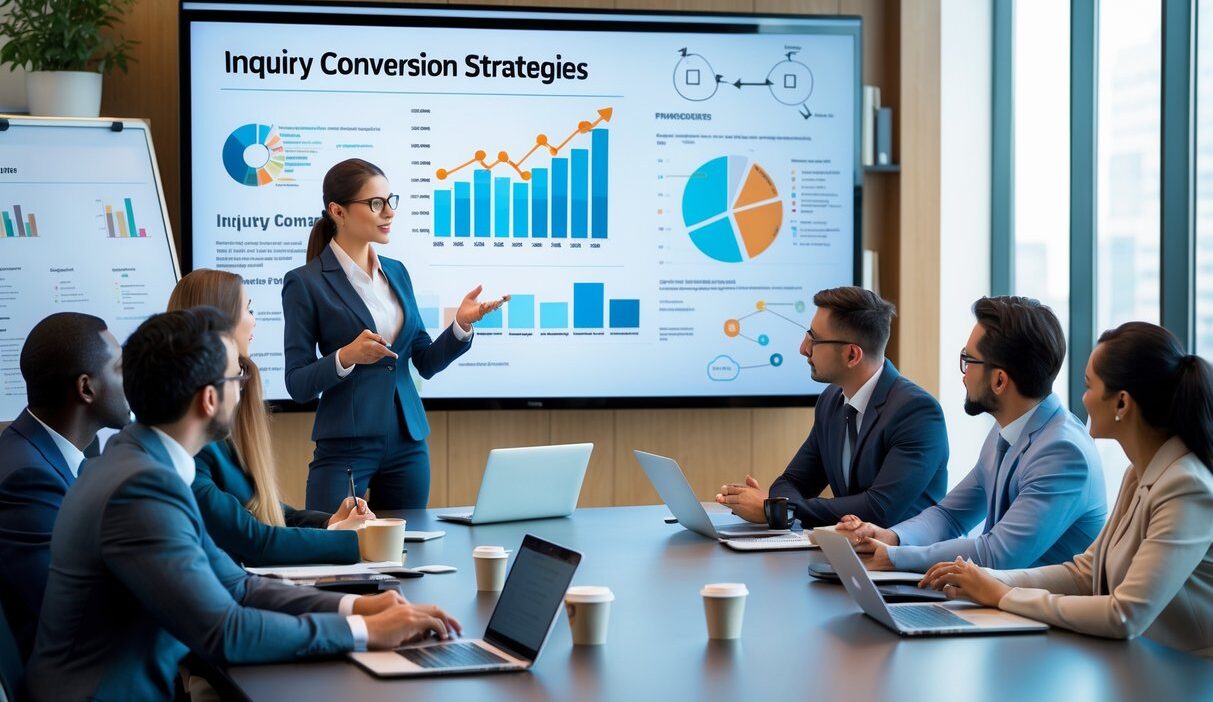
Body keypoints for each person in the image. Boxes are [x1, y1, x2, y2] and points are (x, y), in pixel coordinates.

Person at [25, 307, 461, 701]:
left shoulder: (140, 460)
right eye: (238, 377)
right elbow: (225, 631)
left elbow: (238, 585)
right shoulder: (140, 488)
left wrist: (357, 606)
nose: (244, 389)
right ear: (209, 399)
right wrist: (364, 631)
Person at [919, 322, 1213, 658]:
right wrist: (986, 579)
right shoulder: (1139, 473)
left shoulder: (1186, 486)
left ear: (1122, 403)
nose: (1082, 398)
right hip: (1138, 664)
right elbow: (1085, 572)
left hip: (1189, 675)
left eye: (1088, 386)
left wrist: (1001, 595)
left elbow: (1124, 614)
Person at [283, 158, 507, 511]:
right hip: (345, 447)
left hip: (408, 441)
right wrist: (346, 357)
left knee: (408, 556)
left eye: (391, 201)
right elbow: (297, 384)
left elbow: (425, 361)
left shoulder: (397, 272)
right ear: (337, 212)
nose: (389, 212)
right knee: (328, 549)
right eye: (375, 203)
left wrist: (461, 326)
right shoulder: (305, 282)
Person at [837, 297, 1107, 571]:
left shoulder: (1062, 453)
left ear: (999, 380)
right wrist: (892, 538)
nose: (963, 375)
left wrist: (894, 558)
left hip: (1038, 610)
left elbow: (997, 554)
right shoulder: (1007, 430)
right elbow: (950, 516)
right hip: (999, 603)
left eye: (968, 360)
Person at [168, 269, 373, 567]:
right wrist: (352, 540)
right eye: (248, 309)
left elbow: (264, 509)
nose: (254, 319)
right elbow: (255, 539)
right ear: (219, 323)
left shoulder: (216, 425)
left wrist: (332, 522)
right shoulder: (189, 440)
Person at [716, 286, 948, 528]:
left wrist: (778, 509)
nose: (803, 348)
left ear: (852, 355)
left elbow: (878, 509)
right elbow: (791, 482)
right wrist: (780, 506)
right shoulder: (831, 400)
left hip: (905, 560)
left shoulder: (917, 413)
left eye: (814, 339)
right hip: (847, 553)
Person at [0, 313, 129, 659]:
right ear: (86, 388)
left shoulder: (54, 458)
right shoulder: (27, 479)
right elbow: (80, 615)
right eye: (119, 369)